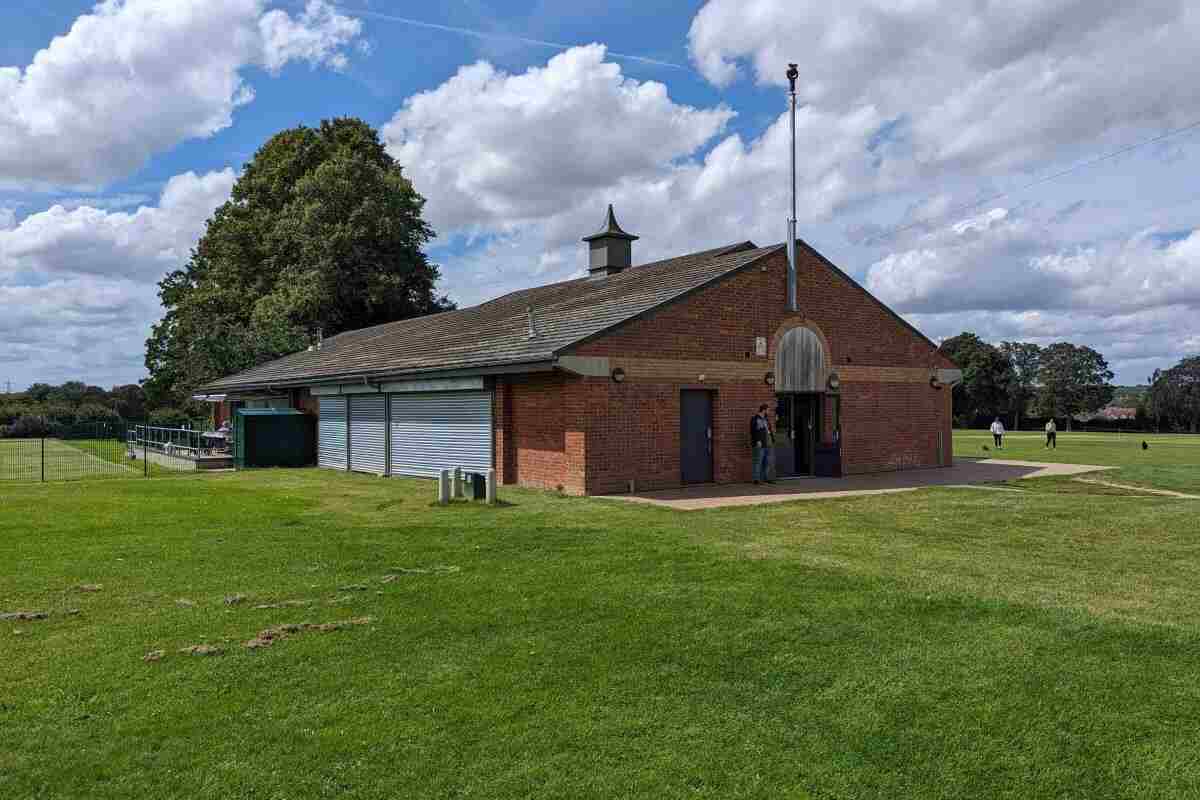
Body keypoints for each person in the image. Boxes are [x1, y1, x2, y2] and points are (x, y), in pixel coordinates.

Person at [749, 404, 774, 484]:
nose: (768, 412)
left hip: (768, 443)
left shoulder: (766, 419)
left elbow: (769, 430)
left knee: (767, 462)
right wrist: (757, 441)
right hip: (760, 443)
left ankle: (766, 478)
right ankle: (756, 479)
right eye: (768, 410)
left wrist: (772, 439)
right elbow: (753, 431)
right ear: (764, 410)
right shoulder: (755, 419)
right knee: (758, 461)